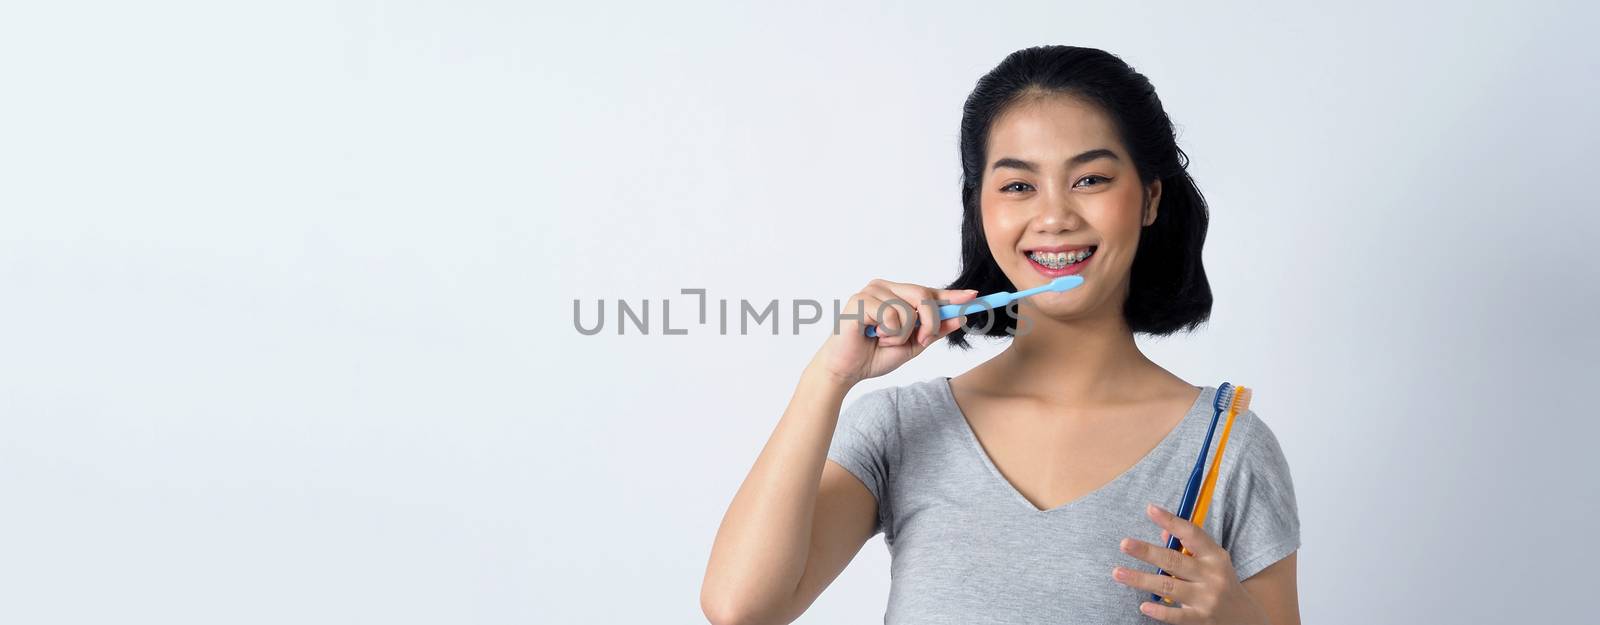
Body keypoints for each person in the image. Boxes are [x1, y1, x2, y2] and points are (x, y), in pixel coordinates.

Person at [701, 45, 1300, 625]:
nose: (1055, 216)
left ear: (1149, 198)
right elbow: (741, 609)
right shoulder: (900, 427)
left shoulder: (1229, 448)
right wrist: (828, 378)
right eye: (1018, 186)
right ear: (980, 209)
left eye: (1090, 179)